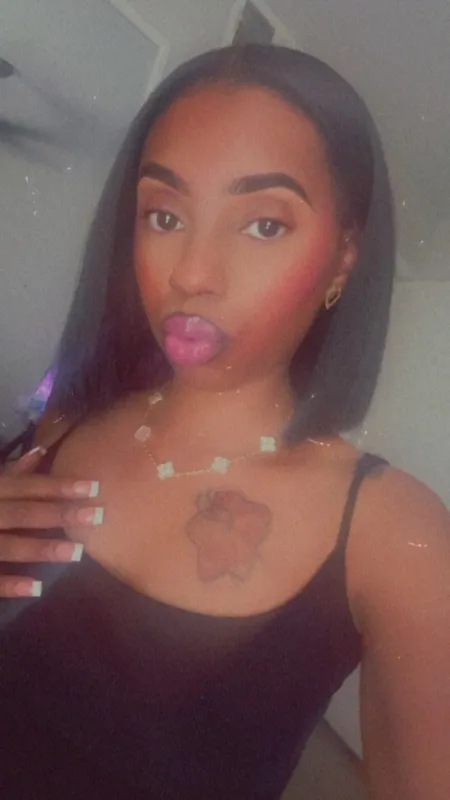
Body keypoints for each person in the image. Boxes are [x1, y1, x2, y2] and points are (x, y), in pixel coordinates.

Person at [0, 44, 449, 799]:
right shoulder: (69, 422)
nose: (191, 273)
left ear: (344, 259)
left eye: (264, 225)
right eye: (165, 215)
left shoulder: (393, 536)